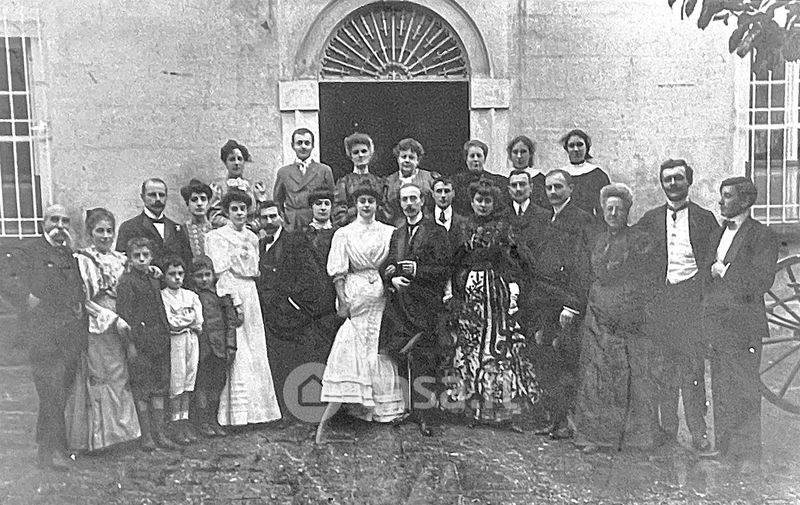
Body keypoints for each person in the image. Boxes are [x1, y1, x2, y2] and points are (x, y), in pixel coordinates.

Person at [442, 181, 540, 431]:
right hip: (469, 293)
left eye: (488, 201)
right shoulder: (462, 226)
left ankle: (499, 409)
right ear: (472, 202)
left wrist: (512, 286)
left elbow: (517, 260)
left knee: (496, 347)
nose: (483, 205)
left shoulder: (503, 227)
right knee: (469, 347)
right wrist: (453, 292)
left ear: (494, 203)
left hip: (496, 292)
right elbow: (453, 261)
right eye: (479, 200)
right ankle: (468, 408)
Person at [636, 159, 718, 452]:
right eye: (667, 179)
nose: (672, 184)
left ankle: (698, 431)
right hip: (661, 302)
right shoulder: (649, 219)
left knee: (692, 369)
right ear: (662, 183)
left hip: (691, 301)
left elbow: (713, 260)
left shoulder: (705, 218)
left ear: (689, 181)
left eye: (678, 178)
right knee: (663, 369)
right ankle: (668, 429)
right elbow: (640, 260)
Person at [573, 184, 661, 453]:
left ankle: (632, 439)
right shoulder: (596, 239)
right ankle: (596, 437)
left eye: (619, 209)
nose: (613, 213)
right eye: (609, 208)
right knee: (596, 375)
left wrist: (632, 307)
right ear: (602, 210)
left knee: (629, 376)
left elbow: (648, 279)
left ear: (627, 212)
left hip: (627, 315)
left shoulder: (639, 240)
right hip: (597, 314)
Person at [316, 186, 405, 443]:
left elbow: (394, 262)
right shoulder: (344, 234)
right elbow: (338, 273)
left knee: (376, 345)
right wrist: (343, 301)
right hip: (355, 294)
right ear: (356, 204)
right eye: (362, 201)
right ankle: (352, 405)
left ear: (377, 205)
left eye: (371, 201)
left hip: (379, 293)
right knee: (352, 345)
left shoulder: (389, 232)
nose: (366, 205)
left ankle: (377, 408)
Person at [702, 177, 778, 472]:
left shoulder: (763, 236)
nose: (721, 201)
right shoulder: (718, 232)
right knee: (721, 385)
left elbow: (762, 280)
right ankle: (725, 449)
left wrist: (725, 272)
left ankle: (749, 455)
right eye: (721, 196)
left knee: (745, 387)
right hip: (718, 324)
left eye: (728, 196)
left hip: (744, 326)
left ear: (745, 201)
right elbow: (706, 274)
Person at [524, 169, 595, 440]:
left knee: (565, 360)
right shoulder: (546, 218)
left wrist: (572, 305)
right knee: (547, 359)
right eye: (549, 188)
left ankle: (568, 422)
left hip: (565, 303)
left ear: (571, 189)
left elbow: (583, 266)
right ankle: (554, 418)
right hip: (545, 299)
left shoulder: (581, 220)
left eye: (558, 187)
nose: (553, 192)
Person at [204, 190, 282, 427]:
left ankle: (261, 412)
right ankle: (237, 415)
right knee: (239, 350)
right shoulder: (216, 237)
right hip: (232, 291)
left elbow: (254, 269)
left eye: (243, 209)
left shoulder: (252, 237)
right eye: (234, 209)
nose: (239, 213)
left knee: (256, 348)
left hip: (251, 292)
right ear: (226, 212)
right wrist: (234, 303)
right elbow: (221, 272)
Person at [65, 208, 141, 453]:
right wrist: (110, 318)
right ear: (90, 233)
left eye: (109, 231)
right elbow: (84, 299)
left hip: (123, 320)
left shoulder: (121, 259)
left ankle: (123, 434)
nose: (106, 236)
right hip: (99, 323)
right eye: (100, 231)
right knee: (103, 377)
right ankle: (102, 438)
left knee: (121, 375)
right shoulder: (83, 260)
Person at [378, 183, 451, 436]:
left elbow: (445, 268)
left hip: (425, 304)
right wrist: (391, 277)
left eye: (413, 199)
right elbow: (388, 263)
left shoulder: (436, 231)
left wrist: (418, 271)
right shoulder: (397, 233)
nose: (409, 204)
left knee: (424, 358)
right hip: (400, 305)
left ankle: (426, 415)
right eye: (404, 200)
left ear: (422, 201)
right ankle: (409, 409)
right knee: (402, 356)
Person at [17, 204, 86, 469]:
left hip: (68, 335)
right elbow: (8, 278)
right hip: (43, 335)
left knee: (59, 393)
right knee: (52, 392)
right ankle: (54, 450)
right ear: (43, 223)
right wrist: (26, 297)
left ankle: (45, 451)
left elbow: (75, 286)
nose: (60, 226)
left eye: (65, 221)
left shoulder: (67, 252)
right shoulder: (30, 250)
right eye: (54, 220)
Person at [255, 200, 331, 421]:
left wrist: (292, 303)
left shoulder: (295, 241)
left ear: (281, 216)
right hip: (269, 315)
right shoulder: (260, 245)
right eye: (264, 218)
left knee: (297, 360)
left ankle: (302, 411)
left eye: (273, 216)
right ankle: (282, 411)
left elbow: (310, 276)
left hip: (292, 314)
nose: (269, 221)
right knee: (277, 362)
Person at [117, 237, 179, 450]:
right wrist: (130, 345)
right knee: (142, 389)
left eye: (146, 255)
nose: (142, 259)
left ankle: (160, 433)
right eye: (137, 256)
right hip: (140, 342)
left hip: (159, 340)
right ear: (129, 258)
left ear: (152, 257)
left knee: (159, 388)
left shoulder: (154, 279)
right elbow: (125, 317)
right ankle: (146, 436)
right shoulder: (126, 282)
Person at [190, 256, 238, 437]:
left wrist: (231, 346)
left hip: (219, 347)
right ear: (192, 277)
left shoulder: (221, 295)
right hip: (201, 348)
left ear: (213, 275)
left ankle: (213, 420)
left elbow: (231, 322)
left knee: (217, 384)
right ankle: (202, 423)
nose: (204, 279)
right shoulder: (191, 296)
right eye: (199, 276)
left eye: (207, 275)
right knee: (201, 384)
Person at [160, 256, 203, 444]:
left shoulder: (191, 296)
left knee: (188, 382)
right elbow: (171, 322)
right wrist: (187, 319)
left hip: (191, 340)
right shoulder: (162, 296)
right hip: (175, 342)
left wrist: (185, 320)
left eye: (180, 273)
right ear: (165, 276)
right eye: (172, 274)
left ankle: (184, 423)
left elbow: (198, 320)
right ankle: (175, 426)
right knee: (176, 383)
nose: (177, 278)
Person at [116, 178, 193, 268]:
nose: (158, 199)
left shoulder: (176, 229)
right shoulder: (129, 227)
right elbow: (121, 263)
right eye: (152, 195)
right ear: (143, 197)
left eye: (162, 195)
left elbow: (188, 263)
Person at [272, 128, 335, 231]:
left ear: (313, 146)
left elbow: (332, 199)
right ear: (292, 145)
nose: (303, 147)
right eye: (299, 143)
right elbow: (277, 202)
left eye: (307, 143)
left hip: (316, 223)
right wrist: (285, 221)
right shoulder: (284, 172)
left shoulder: (324, 170)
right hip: (292, 224)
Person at [333, 132, 392, 226]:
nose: (360, 155)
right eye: (355, 152)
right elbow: (339, 214)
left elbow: (386, 213)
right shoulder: (344, 182)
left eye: (364, 151)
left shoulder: (380, 182)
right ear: (350, 156)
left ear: (370, 153)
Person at [208, 139, 267, 231]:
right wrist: (233, 226)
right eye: (232, 159)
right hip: (226, 233)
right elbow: (213, 216)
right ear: (225, 163)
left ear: (244, 161)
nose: (236, 163)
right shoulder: (218, 187)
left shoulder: (254, 187)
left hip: (251, 233)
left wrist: (249, 228)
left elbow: (263, 214)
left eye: (239, 159)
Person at [558, 129, 611, 220]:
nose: (576, 149)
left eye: (580, 144)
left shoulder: (598, 174)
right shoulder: (560, 175)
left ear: (587, 147)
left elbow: (605, 205)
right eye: (571, 145)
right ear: (566, 149)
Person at [384, 138, 439, 222]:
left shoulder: (430, 178)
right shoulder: (389, 182)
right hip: (396, 225)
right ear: (398, 159)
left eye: (411, 157)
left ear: (418, 160)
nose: (407, 160)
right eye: (403, 157)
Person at [452, 139, 509, 216]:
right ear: (466, 159)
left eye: (479, 156)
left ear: (484, 159)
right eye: (472, 156)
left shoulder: (496, 181)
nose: (476, 159)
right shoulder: (456, 181)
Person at [507, 169, 549, 238]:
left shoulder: (545, 216)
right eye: (514, 185)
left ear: (531, 187)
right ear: (509, 190)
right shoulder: (501, 215)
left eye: (522, 184)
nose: (518, 189)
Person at [507, 135, 547, 208]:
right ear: (510, 155)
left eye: (523, 152)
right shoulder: (503, 178)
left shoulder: (540, 178)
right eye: (515, 152)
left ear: (530, 154)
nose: (519, 156)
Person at [432, 176, 469, 248]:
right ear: (433, 194)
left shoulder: (463, 222)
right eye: (439, 191)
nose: (443, 195)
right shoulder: (425, 219)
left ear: (453, 193)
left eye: (447, 191)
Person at [181, 178, 214, 258]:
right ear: (187, 205)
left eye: (203, 199)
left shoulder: (216, 228)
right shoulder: (182, 231)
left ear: (209, 204)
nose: (199, 203)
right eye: (194, 200)